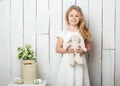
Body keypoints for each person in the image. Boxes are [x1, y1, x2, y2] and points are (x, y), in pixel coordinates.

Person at [55, 5, 92, 86]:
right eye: (71, 15)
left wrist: (82, 51)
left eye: (76, 16)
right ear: (67, 17)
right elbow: (57, 49)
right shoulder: (64, 33)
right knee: (68, 80)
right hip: (67, 63)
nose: (74, 18)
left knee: (79, 80)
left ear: (80, 18)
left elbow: (89, 48)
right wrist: (66, 50)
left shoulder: (83, 32)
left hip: (80, 62)